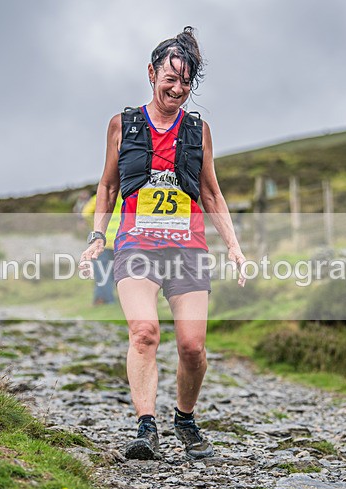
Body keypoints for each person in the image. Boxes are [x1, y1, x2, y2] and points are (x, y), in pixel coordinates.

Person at [79, 27, 246, 461]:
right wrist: (98, 234)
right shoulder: (123, 124)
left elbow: (211, 192)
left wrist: (233, 245)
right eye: (169, 79)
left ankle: (185, 418)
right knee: (144, 332)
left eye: (185, 82)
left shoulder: (199, 130)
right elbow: (108, 184)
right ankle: (145, 426)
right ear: (151, 74)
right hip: (135, 244)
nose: (177, 89)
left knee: (192, 347)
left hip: (188, 249)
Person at [81, 191, 122, 305]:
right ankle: (124, 301)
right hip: (122, 241)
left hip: (103, 241)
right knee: (122, 274)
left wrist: (96, 228)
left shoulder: (102, 196)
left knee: (103, 274)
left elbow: (86, 213)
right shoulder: (129, 195)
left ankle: (107, 302)